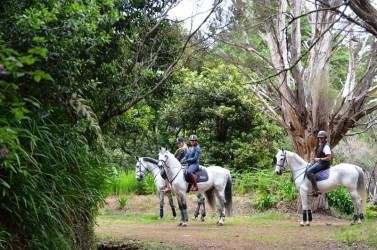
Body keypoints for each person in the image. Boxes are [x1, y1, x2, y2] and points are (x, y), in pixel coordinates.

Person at [306, 130, 332, 197]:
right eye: (319, 138)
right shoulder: (321, 145)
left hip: (324, 164)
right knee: (308, 167)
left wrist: (319, 159)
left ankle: (315, 190)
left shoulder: (326, 146)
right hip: (320, 162)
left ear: (325, 138)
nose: (320, 139)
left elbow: (329, 158)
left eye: (321, 138)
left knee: (309, 171)